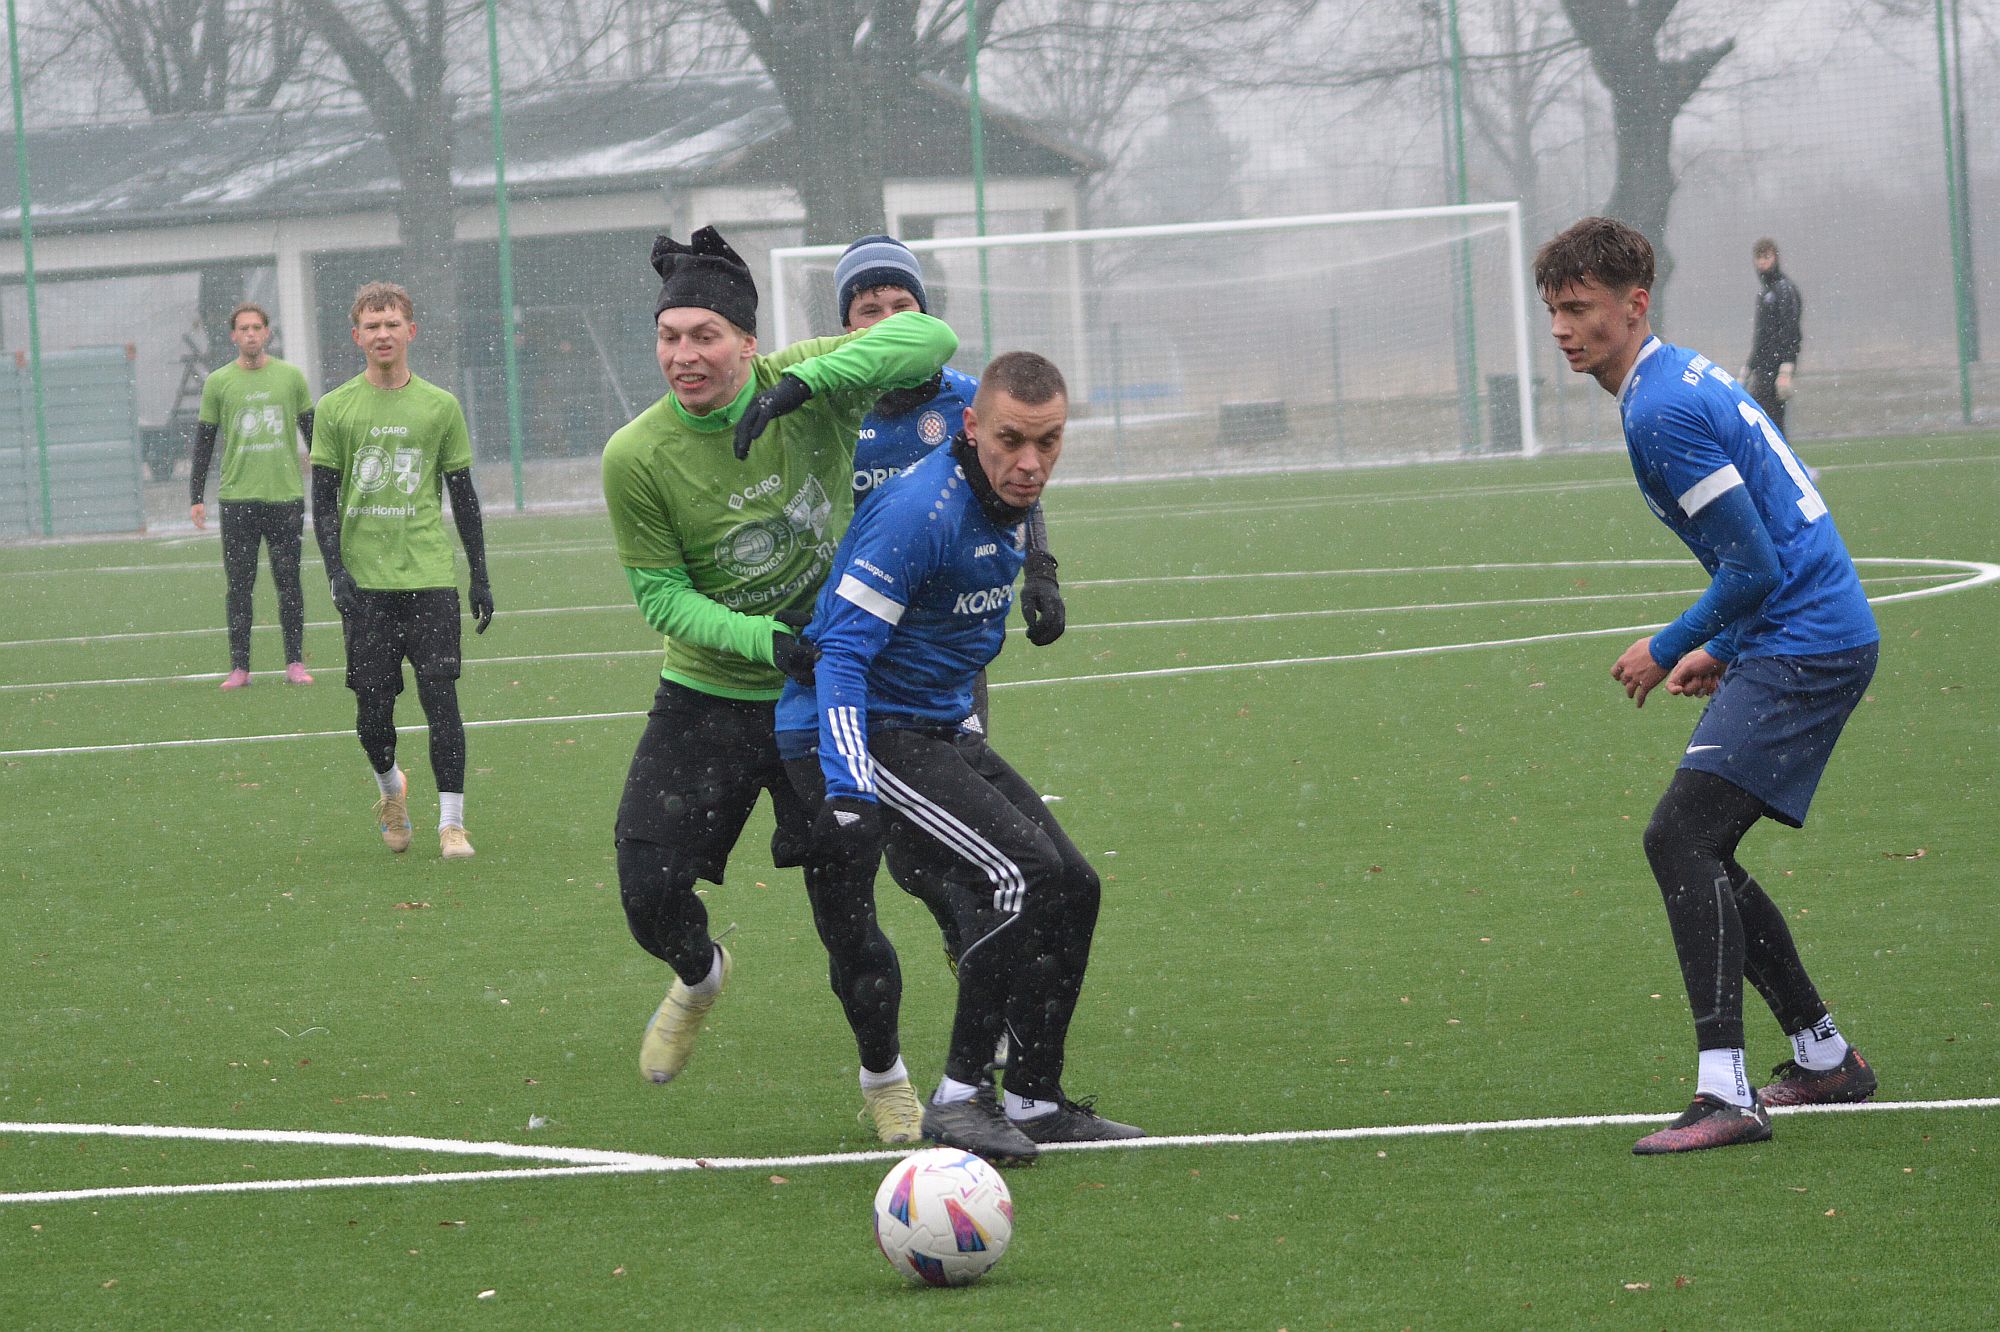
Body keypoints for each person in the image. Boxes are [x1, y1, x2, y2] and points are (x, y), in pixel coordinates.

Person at [600, 226, 959, 1145]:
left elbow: (931, 341)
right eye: (670, 337)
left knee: (849, 916)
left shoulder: (805, 385)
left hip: (824, 695)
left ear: (748, 343)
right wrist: (764, 639)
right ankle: (699, 973)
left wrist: (810, 384)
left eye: (706, 336)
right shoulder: (635, 456)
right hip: (713, 691)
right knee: (645, 888)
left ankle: (884, 1077)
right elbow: (661, 595)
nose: (685, 356)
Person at [1535, 217, 1879, 1156]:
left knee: (1679, 835)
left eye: (1580, 309)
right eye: (1553, 311)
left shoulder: (1658, 410)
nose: (1563, 329)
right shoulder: (1675, 378)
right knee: (1704, 846)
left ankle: (1726, 1091)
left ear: (1634, 305)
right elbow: (1760, 542)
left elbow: (1756, 563)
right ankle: (1824, 1057)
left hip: (1807, 640)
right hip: (1801, 633)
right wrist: (1723, 645)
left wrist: (1674, 640)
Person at [774, 351, 1143, 1165]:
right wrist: (846, 790)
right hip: (868, 729)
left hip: (937, 728)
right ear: (971, 427)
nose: (1030, 462)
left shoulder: (1006, 495)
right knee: (1016, 875)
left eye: (1049, 443)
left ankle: (1035, 1099)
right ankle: (958, 1099)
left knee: (1073, 886)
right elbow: (839, 658)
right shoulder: (919, 514)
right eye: (1011, 439)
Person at [832, 235, 1067, 975]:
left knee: (960, 834)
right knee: (902, 857)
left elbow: (1020, 482)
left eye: (903, 304)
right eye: (870, 309)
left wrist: (1042, 571)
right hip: (861, 656)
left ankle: (981, 966)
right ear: (848, 330)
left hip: (946, 657)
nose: (889, 318)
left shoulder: (969, 401)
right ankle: (966, 946)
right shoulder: (835, 413)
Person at [309, 282, 494, 862]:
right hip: (366, 588)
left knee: (442, 702)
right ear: (357, 336)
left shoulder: (440, 406)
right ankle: (391, 790)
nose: (383, 334)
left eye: (392, 323)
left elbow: (464, 498)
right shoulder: (335, 409)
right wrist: (336, 568)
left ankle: (452, 825)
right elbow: (322, 500)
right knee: (373, 715)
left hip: (430, 578)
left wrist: (479, 575)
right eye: (372, 325)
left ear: (410, 331)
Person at [188, 302, 317, 689]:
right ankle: (240, 667)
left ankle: (294, 662)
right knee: (239, 585)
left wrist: (329, 482)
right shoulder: (218, 382)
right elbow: (205, 442)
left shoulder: (291, 378)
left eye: (256, 327)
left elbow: (313, 434)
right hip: (238, 500)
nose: (250, 334)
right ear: (233, 336)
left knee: (289, 582)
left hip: (285, 498)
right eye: (243, 328)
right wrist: (197, 495)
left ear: (267, 333)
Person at [1740, 237, 1803, 435]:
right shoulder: (1765, 293)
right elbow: (1760, 337)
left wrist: (1786, 367)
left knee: (1771, 424)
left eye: (1766, 257)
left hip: (1775, 369)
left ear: (1775, 258)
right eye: (1758, 258)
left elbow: (1791, 330)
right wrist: (1749, 367)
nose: (1762, 263)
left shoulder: (1785, 289)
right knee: (1762, 422)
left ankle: (1784, 465)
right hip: (1762, 368)